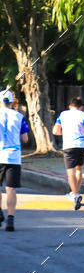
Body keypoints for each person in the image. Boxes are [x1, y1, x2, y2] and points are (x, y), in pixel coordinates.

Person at [53, 96, 84, 210]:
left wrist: (65, 133)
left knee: (70, 172)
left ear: (70, 106)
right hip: (81, 145)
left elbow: (55, 131)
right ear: (81, 107)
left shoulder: (63, 115)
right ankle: (75, 191)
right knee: (79, 169)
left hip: (68, 145)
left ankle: (75, 195)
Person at [0, 89, 30, 231]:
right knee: (11, 189)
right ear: (12, 102)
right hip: (13, 157)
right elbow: (25, 138)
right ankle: (10, 219)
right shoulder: (19, 117)